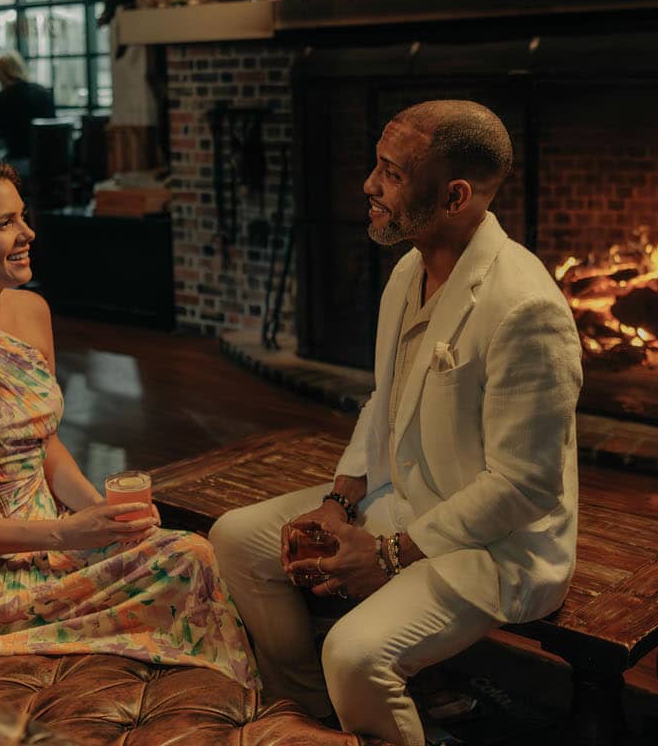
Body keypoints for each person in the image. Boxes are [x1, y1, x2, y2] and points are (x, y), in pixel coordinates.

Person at [209, 101, 582, 746]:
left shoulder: (526, 308)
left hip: (496, 548)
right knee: (237, 538)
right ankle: (311, 720)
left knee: (355, 653)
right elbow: (387, 401)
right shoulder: (410, 269)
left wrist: (387, 553)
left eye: (391, 173)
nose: (368, 186)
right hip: (404, 505)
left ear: (455, 195)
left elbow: (525, 487)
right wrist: (337, 501)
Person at [0, 159, 257, 688]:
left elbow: (42, 441)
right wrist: (66, 531)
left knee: (191, 552)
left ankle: (235, 712)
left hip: (47, 538)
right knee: (183, 562)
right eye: (5, 223)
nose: (28, 233)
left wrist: (98, 513)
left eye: (23, 217)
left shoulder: (32, 312)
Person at [0, 51, 55, 176]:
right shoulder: (43, 93)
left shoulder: (2, 98)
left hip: (19, 163)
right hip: (49, 160)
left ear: (1, 74)